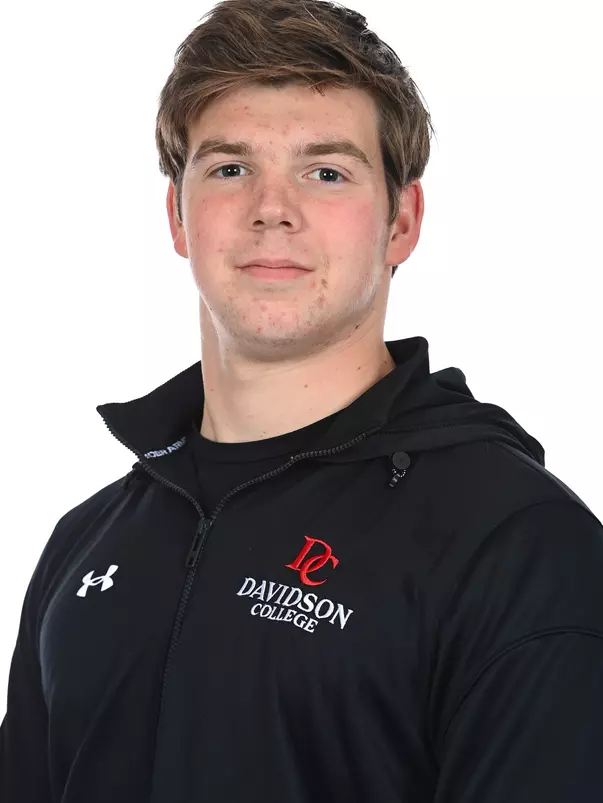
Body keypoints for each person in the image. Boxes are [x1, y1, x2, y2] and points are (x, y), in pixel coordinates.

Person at [2, 0, 603, 800]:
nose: (271, 208)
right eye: (228, 167)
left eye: (326, 172)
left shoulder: (517, 546)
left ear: (401, 222)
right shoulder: (86, 543)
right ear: (178, 216)